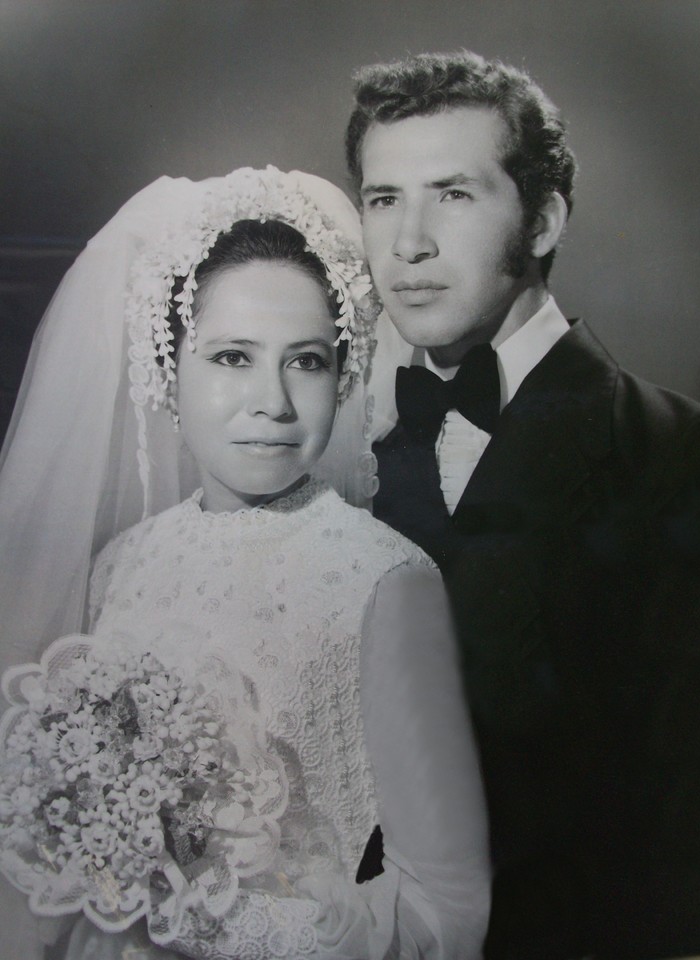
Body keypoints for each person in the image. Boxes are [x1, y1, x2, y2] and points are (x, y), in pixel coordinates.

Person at [0, 166, 490, 959]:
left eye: (306, 360)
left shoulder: (384, 579)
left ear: (343, 374)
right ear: (168, 372)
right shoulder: (120, 565)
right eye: (231, 357)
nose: (273, 400)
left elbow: (450, 898)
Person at [346, 51, 700, 959]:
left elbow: (693, 863)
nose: (410, 244)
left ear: (544, 220)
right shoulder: (329, 448)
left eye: (455, 195)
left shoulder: (691, 459)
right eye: (384, 198)